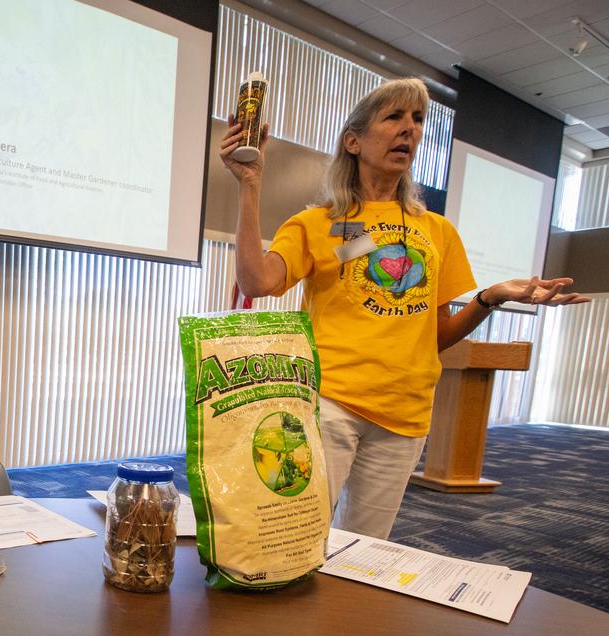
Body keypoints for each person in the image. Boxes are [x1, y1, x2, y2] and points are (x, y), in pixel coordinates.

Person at [219, 77, 589, 539]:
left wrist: (489, 298)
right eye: (394, 117)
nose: (409, 130)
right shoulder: (328, 225)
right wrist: (250, 185)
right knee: (296, 538)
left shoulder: (436, 231)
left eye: (417, 120)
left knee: (364, 552)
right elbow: (258, 281)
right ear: (353, 141)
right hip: (331, 403)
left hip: (406, 413)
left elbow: (435, 338)